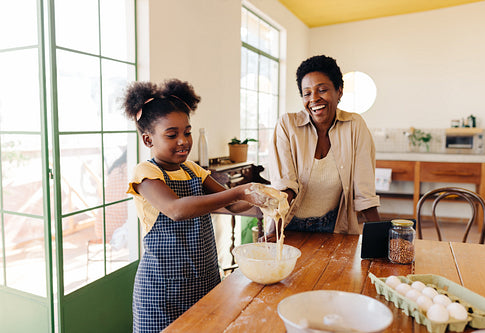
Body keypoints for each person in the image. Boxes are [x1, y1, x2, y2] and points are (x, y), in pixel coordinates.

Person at [123, 79, 275, 332]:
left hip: (203, 281)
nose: (183, 141)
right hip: (163, 290)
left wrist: (262, 200)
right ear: (148, 140)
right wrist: (237, 192)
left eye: (187, 132)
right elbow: (177, 209)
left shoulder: (192, 169)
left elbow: (232, 205)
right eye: (172, 135)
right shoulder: (145, 174)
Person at [266, 55, 380, 240]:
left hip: (333, 226)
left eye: (322, 90)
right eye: (307, 93)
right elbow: (284, 187)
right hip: (289, 225)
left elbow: (364, 191)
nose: (314, 99)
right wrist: (275, 231)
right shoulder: (287, 125)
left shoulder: (354, 125)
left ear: (339, 92)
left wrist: (382, 238)